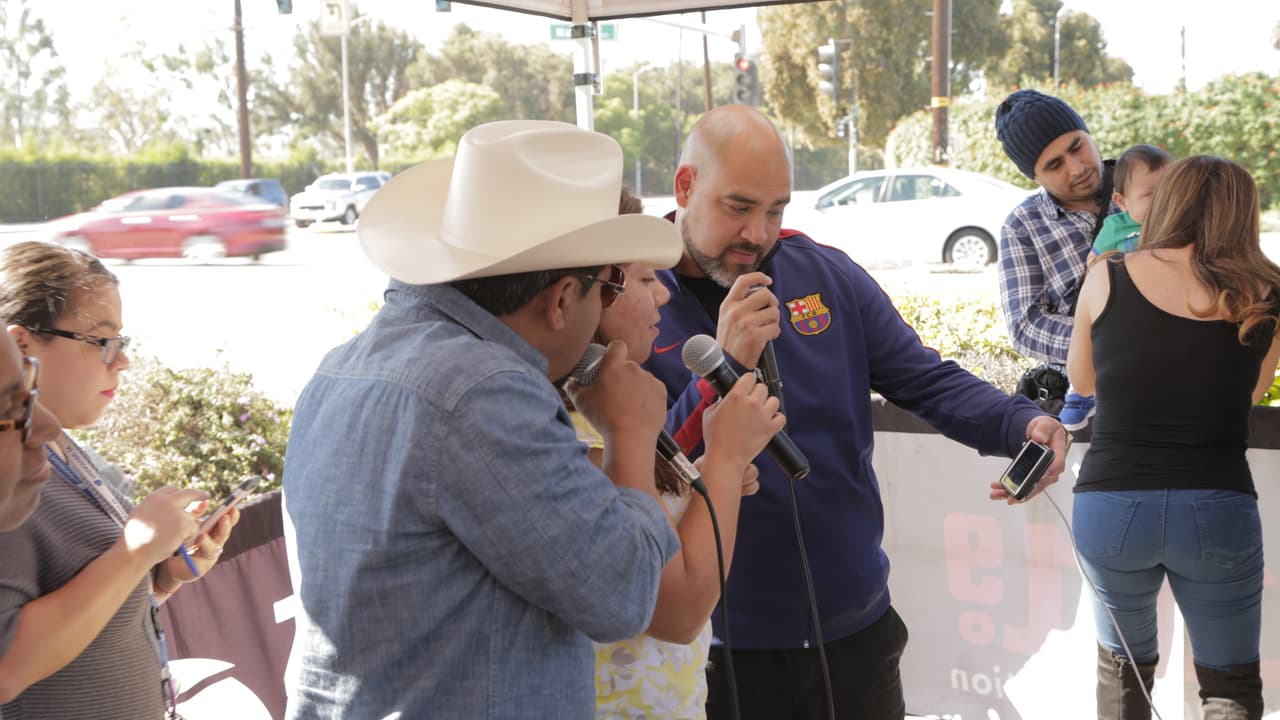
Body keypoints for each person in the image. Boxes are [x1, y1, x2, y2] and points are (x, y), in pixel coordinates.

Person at [642, 104, 1070, 720]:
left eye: (776, 209)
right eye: (738, 206)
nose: (757, 233)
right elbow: (645, 466)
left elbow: (923, 377)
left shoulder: (824, 272)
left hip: (857, 628)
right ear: (685, 186)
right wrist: (723, 364)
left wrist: (1017, 422)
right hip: (722, 647)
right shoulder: (636, 296)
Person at [281, 120, 689, 720]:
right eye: (608, 289)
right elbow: (619, 594)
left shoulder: (343, 365)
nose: (609, 306)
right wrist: (630, 433)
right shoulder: (484, 393)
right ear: (560, 300)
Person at [1067, 155, 1280, 720]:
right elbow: (1252, 393)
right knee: (1229, 685)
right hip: (1218, 506)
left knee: (1124, 673)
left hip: (1110, 505)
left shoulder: (1107, 273)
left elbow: (1082, 381)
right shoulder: (1266, 292)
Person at [0, 240, 239, 719]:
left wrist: (161, 575)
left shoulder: (61, 448)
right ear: (22, 345)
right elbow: (7, 668)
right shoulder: (11, 474)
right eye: (101, 341)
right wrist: (135, 553)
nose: (122, 361)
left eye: (121, 342)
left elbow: (84, 609)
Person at [585, 187, 783, 718]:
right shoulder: (586, 426)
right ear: (590, 291)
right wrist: (723, 459)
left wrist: (705, 481)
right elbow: (675, 608)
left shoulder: (616, 399)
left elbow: (651, 523)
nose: (664, 296)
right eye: (647, 279)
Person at [1059, 144, 1174, 430]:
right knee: (1098, 342)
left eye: (1171, 192)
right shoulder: (1114, 227)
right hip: (1121, 304)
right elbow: (1093, 263)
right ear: (1122, 201)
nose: (1163, 202)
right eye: (1151, 195)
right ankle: (1080, 395)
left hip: (1161, 304)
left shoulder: (1177, 224)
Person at [995, 88, 1111, 364]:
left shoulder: (1147, 190)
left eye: (1076, 147)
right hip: (1092, 390)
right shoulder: (1022, 227)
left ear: (1088, 135)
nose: (1077, 168)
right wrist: (1114, 338)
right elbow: (1026, 326)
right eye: (1054, 164)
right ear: (1034, 176)